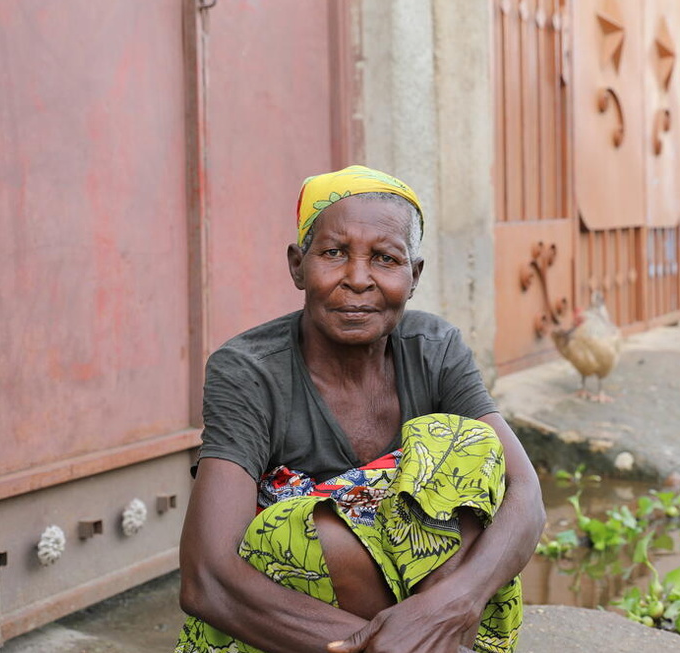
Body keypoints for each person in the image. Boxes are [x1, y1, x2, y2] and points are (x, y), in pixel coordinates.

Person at [175, 165, 545, 653]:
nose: (357, 279)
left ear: (413, 276)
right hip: (293, 626)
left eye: (385, 259)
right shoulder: (249, 371)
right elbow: (208, 578)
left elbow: (525, 495)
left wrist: (447, 607)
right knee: (302, 531)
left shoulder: (434, 348)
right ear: (297, 265)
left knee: (468, 444)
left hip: (433, 608)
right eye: (333, 253)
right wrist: (378, 646)